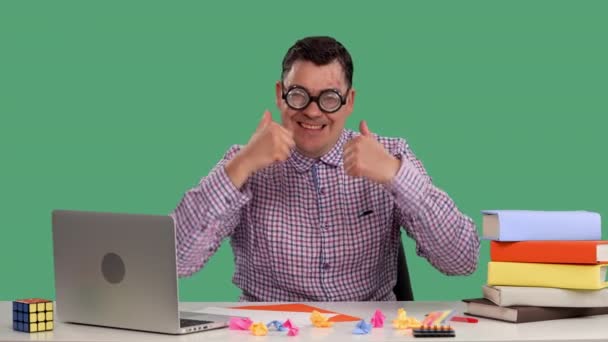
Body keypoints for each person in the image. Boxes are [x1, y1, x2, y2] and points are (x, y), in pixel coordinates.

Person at [171, 36, 480, 302]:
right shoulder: (243, 162)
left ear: (349, 102)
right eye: (298, 95)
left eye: (329, 98)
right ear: (280, 95)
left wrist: (394, 174)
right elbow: (175, 262)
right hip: (267, 329)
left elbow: (462, 259)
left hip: (367, 331)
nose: (312, 110)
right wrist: (241, 165)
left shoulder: (391, 155)